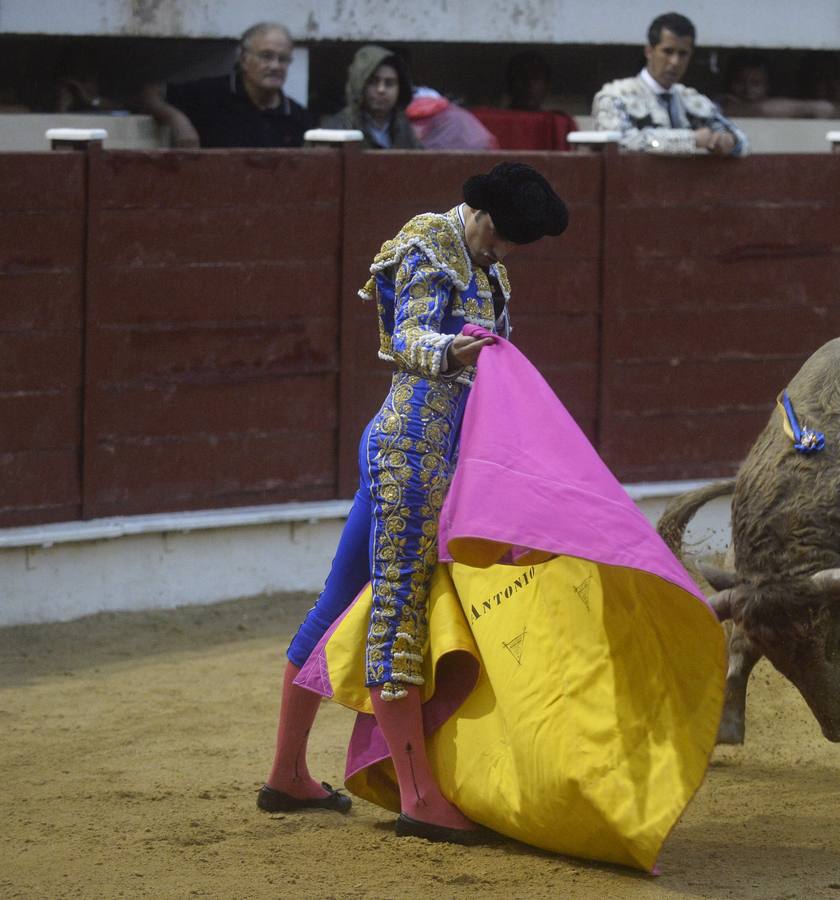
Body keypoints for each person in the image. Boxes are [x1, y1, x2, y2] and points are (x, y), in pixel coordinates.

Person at [259, 162, 569, 843]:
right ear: (479, 211)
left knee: (340, 599)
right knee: (399, 608)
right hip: (408, 455)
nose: (506, 250)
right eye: (504, 235)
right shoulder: (427, 242)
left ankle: (286, 773)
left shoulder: (490, 269)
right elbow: (407, 336)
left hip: (447, 458)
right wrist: (456, 350)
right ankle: (417, 795)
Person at [591, 12, 749, 157]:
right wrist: (690, 140)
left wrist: (729, 141)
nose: (675, 62)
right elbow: (621, 143)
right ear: (649, 51)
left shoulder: (691, 100)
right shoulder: (616, 96)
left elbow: (742, 140)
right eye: (668, 51)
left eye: (683, 54)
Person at [139, 22, 313, 148]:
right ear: (244, 60)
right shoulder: (211, 94)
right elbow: (149, 93)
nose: (275, 66)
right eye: (266, 56)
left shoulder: (298, 118)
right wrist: (177, 121)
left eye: (283, 59)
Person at [320, 45, 420, 149]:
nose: (381, 89)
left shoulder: (404, 129)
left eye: (389, 83)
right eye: (373, 82)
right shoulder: (335, 129)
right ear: (360, 84)